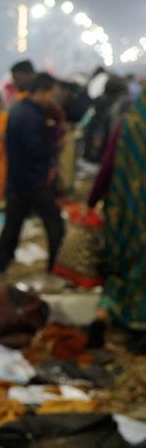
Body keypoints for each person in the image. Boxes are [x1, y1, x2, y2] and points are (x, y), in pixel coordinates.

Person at [86, 83, 145, 351]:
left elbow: (108, 166)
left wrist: (92, 200)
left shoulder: (128, 124)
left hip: (127, 214)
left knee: (123, 267)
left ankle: (106, 314)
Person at [0, 73, 66, 276]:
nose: (52, 98)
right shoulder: (29, 116)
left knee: (13, 226)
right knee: (55, 225)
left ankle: (0, 266)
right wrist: (55, 144)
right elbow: (36, 149)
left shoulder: (22, 109)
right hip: (34, 182)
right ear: (41, 92)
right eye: (51, 93)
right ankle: (55, 267)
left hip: (19, 181)